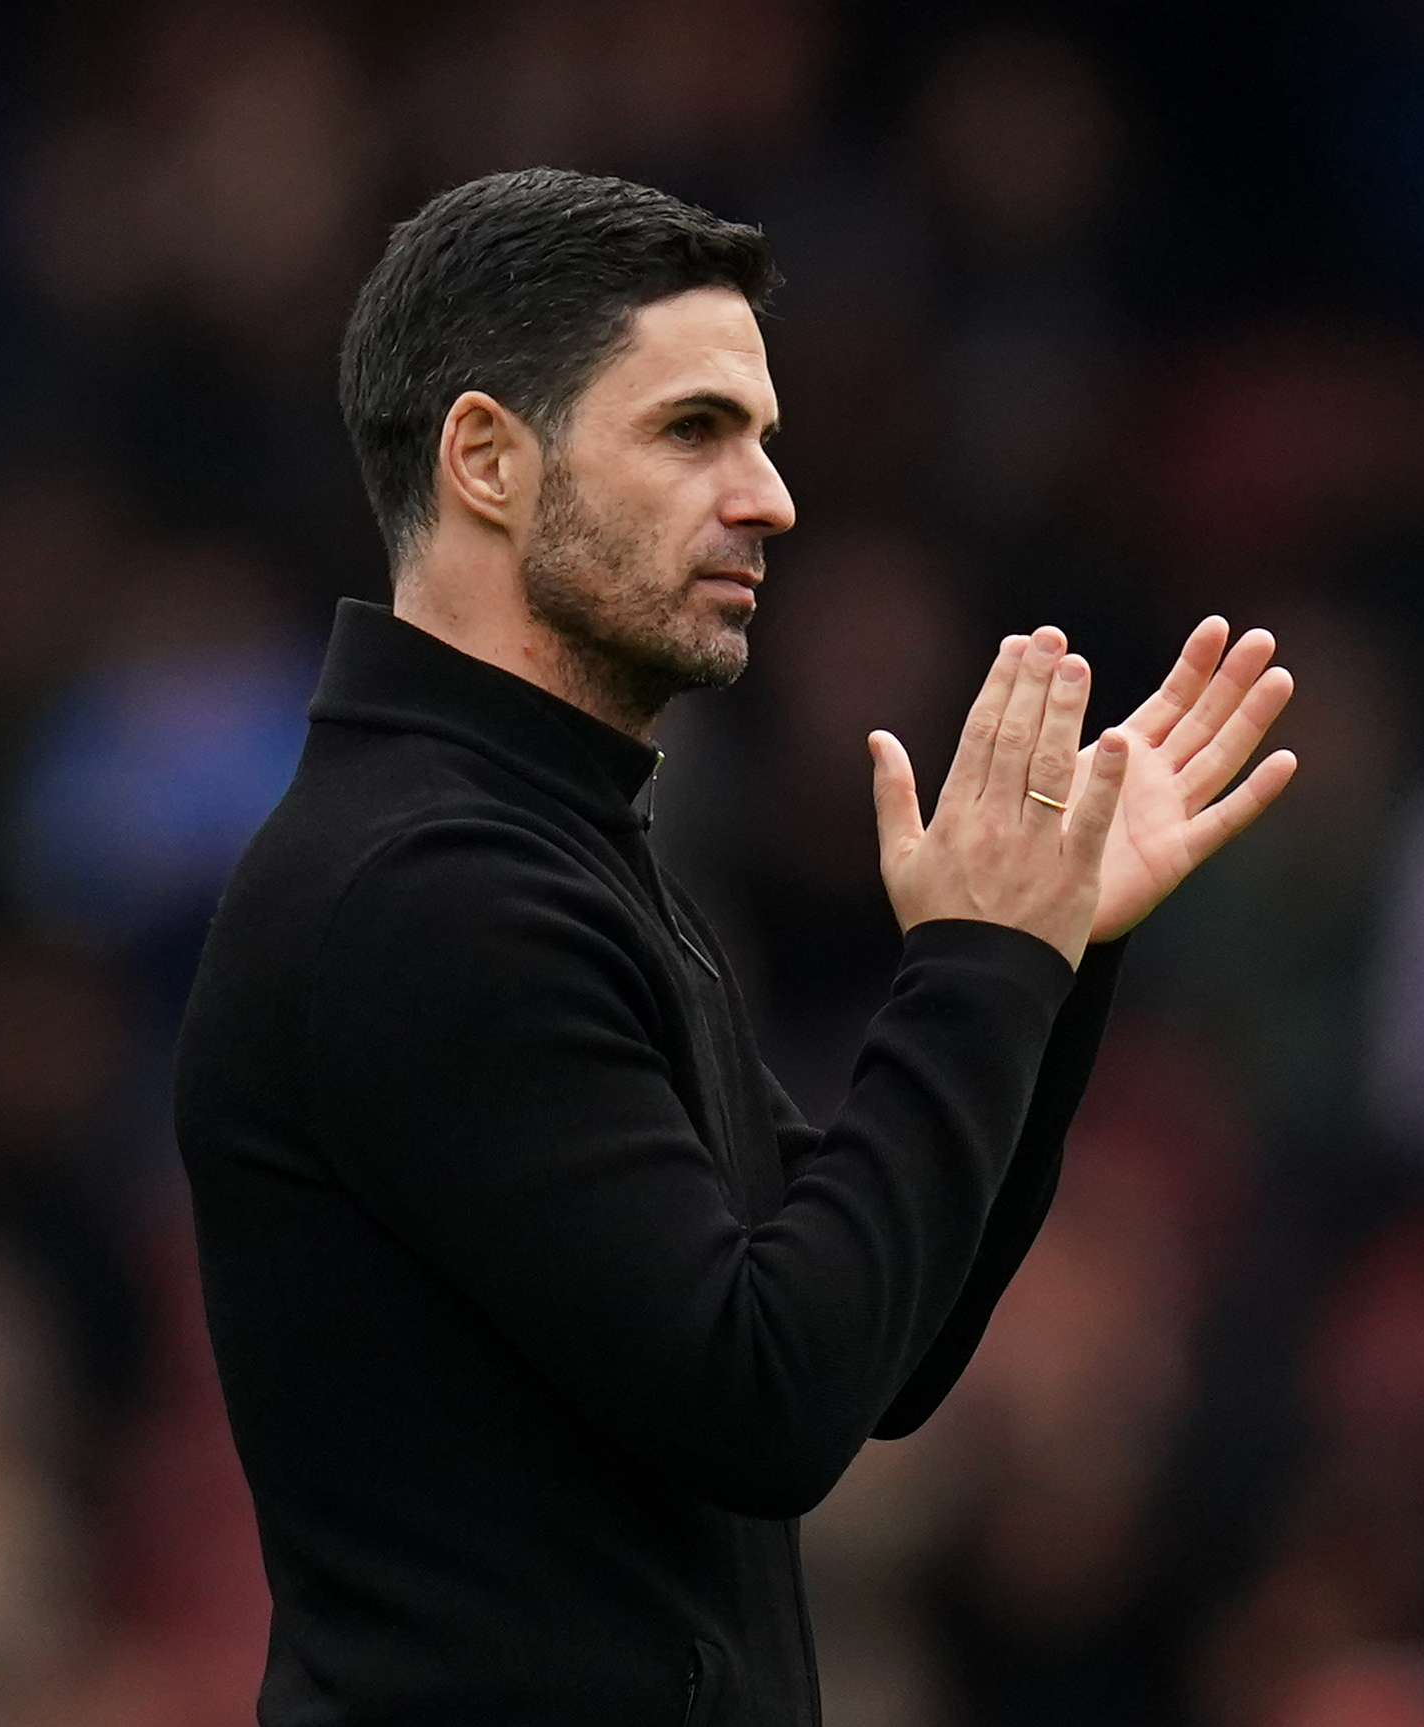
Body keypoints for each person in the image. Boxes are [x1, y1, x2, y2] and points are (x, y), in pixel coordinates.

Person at [173, 168, 1296, 1726]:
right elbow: (768, 1398)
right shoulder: (428, 888)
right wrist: (975, 959)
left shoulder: (542, 848)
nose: (769, 494)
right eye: (694, 430)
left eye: (762, 437)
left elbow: (873, 1352)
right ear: (488, 458)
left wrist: (1041, 950)